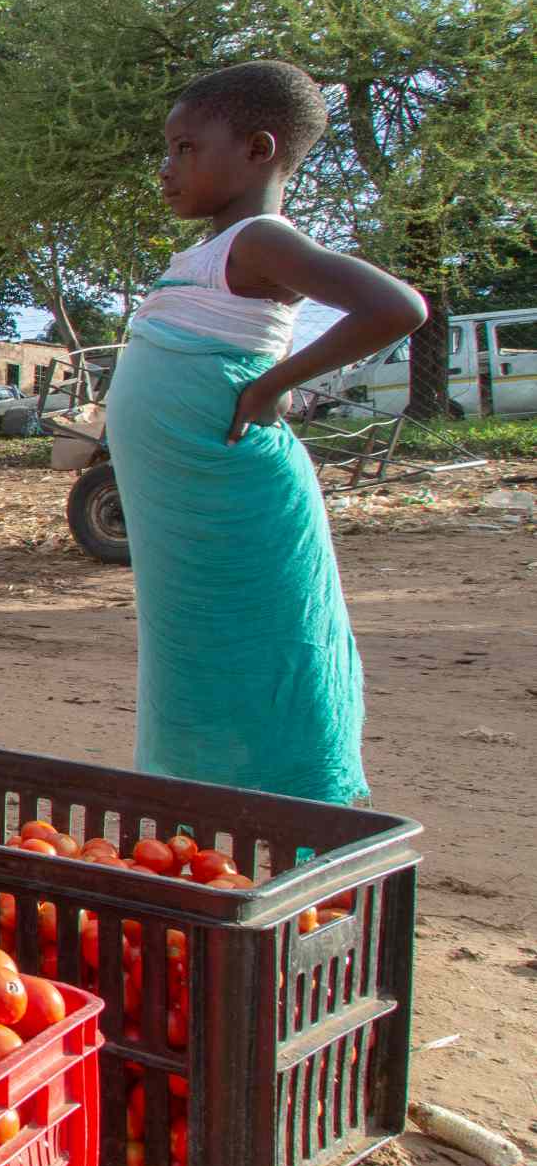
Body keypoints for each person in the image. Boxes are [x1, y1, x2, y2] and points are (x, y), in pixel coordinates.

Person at [106, 60, 424, 803]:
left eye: (186, 148)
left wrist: (274, 384)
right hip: (195, 525)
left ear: (259, 149)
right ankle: (209, 823)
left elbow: (397, 307)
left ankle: (305, 823)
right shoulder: (210, 251)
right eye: (167, 150)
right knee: (199, 659)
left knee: (271, 656)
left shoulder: (260, 241)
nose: (166, 168)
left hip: (242, 502)